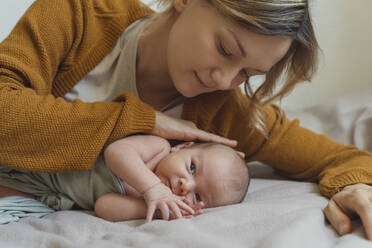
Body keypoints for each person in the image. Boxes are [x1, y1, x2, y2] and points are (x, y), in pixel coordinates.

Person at [0, 0, 372, 239]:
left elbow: (343, 158)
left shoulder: (225, 112)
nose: (225, 81)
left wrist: (354, 186)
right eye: (226, 49)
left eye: (247, 73)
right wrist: (140, 121)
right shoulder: (80, 13)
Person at [0, 135, 249, 222]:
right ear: (182, 146)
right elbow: (116, 152)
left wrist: (156, 207)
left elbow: (104, 206)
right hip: (48, 162)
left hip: (46, 193)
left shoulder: (152, 201)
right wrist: (152, 187)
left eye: (197, 196)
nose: (186, 184)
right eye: (192, 168)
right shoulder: (158, 148)